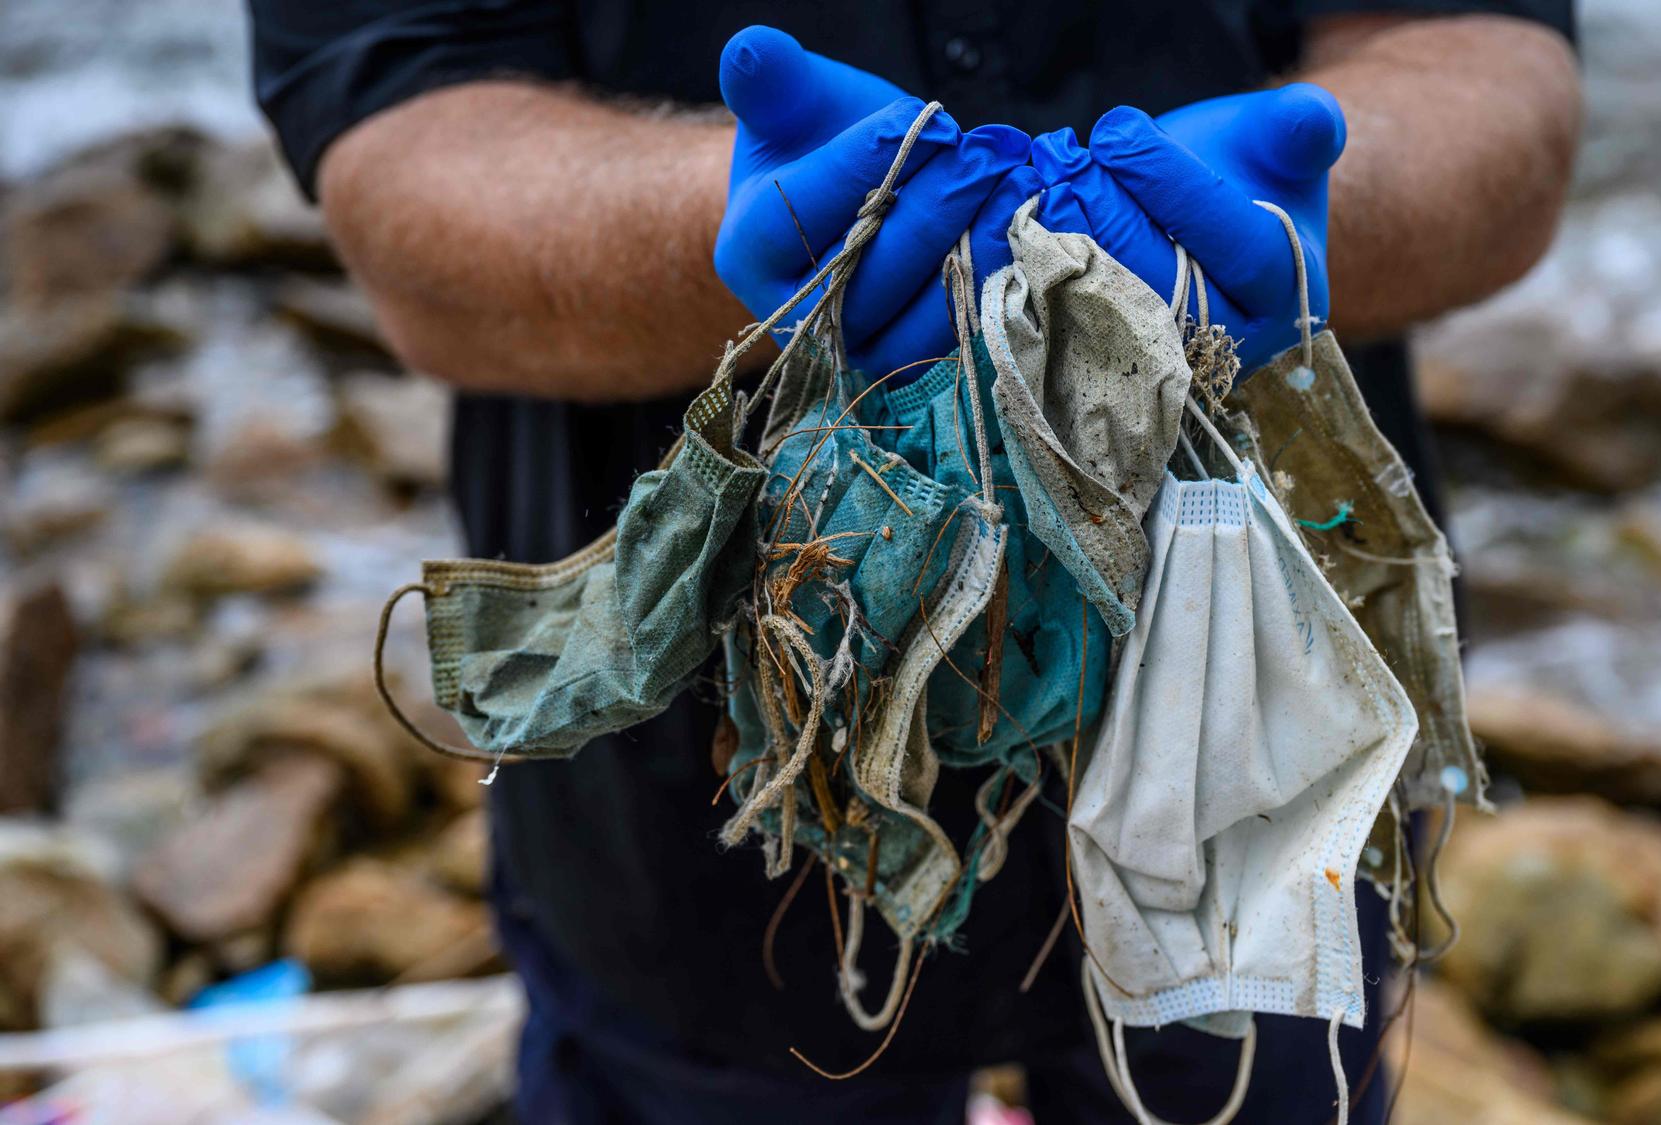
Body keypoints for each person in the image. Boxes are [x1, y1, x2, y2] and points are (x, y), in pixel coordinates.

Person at [248, 4, 1578, 1122]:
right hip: (710, 799)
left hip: (1262, 741)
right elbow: (402, 144)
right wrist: (710, 230)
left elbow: (1487, 63)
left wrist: (1332, 197)